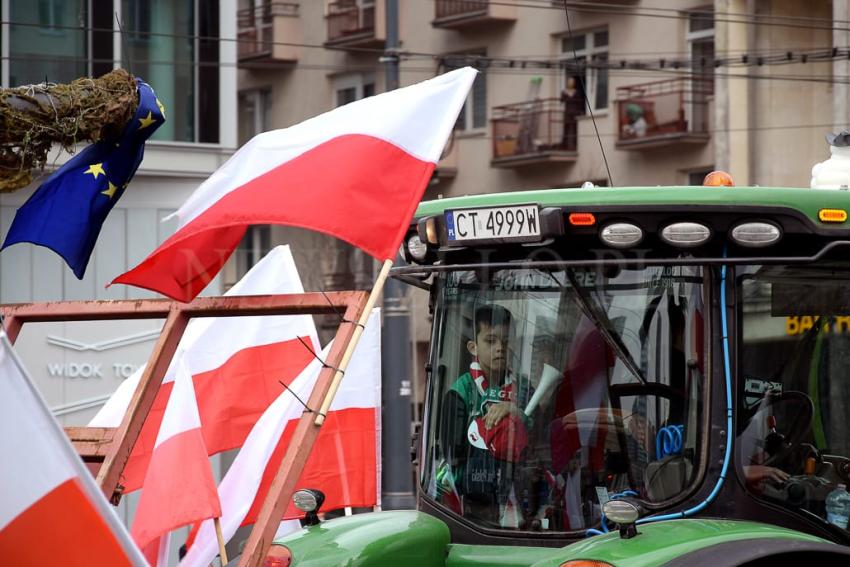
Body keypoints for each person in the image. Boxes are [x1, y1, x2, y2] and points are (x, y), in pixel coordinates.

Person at [439, 304, 533, 527]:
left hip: (521, 497)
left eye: (506, 341)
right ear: (473, 347)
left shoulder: (525, 389)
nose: (500, 348)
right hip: (472, 507)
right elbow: (454, 453)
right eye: (490, 341)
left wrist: (515, 411)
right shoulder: (459, 392)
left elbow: (540, 439)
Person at [560, 76, 584, 150]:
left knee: (575, 128)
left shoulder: (576, 92)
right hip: (567, 112)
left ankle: (575, 144)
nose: (571, 83)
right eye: (569, 82)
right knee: (566, 128)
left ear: (574, 83)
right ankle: (564, 144)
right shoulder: (564, 92)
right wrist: (564, 93)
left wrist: (580, 111)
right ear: (567, 83)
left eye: (572, 82)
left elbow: (579, 102)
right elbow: (561, 101)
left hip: (575, 112)